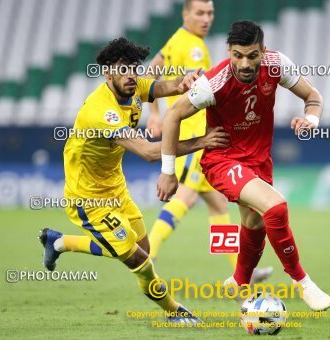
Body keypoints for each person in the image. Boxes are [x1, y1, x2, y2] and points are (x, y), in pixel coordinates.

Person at [38, 37, 229, 324]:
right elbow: (150, 152)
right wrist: (202, 141)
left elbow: (166, 87)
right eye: (123, 69)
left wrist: (185, 81)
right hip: (88, 199)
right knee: (139, 261)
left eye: (134, 68)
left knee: (143, 249)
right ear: (107, 73)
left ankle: (60, 242)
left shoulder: (133, 86)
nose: (131, 75)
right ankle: (174, 312)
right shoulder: (101, 112)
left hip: (115, 186)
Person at [156, 21, 330, 311]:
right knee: (275, 207)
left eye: (252, 55)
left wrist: (311, 120)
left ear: (263, 52)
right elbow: (173, 115)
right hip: (222, 160)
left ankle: (239, 282)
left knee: (256, 222)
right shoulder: (214, 82)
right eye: (238, 55)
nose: (245, 63)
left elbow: (313, 97)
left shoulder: (276, 65)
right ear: (229, 51)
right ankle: (303, 283)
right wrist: (168, 172)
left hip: (259, 161)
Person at [146, 0, 273, 283]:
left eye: (210, 13)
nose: (206, 19)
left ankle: (242, 273)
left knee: (218, 206)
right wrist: (157, 114)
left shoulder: (175, 40)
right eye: (200, 13)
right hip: (195, 135)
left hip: (197, 135)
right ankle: (149, 252)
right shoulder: (191, 46)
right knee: (185, 197)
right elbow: (202, 88)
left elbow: (150, 72)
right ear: (185, 14)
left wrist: (153, 113)